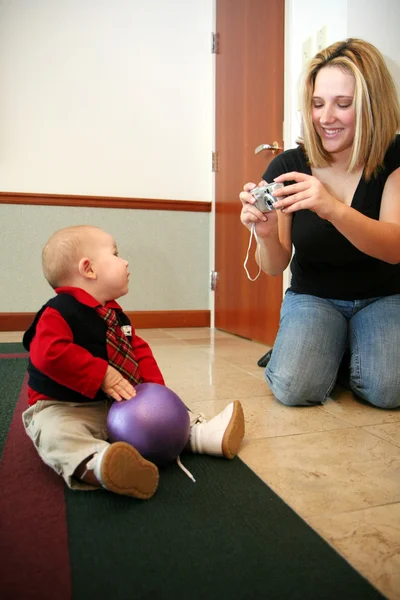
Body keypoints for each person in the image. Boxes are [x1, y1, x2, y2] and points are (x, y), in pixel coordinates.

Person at [22, 225, 245, 499]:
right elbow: (47, 352)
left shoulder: (115, 315)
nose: (125, 261)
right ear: (89, 269)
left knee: (170, 413)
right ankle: (104, 465)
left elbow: (137, 351)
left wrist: (157, 396)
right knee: (57, 435)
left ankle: (199, 435)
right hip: (64, 406)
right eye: (116, 254)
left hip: (116, 404)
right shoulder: (58, 312)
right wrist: (102, 374)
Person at [239, 38, 400, 409]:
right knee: (295, 389)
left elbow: (393, 249)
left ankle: (341, 354)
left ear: (372, 106)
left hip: (383, 294)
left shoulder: (394, 160)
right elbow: (274, 265)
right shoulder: (287, 166)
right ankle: (316, 347)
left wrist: (331, 207)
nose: (326, 117)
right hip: (315, 294)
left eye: (343, 104)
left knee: (389, 391)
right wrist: (264, 233)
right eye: (317, 104)